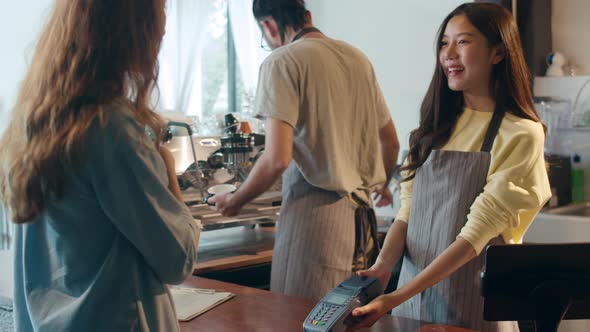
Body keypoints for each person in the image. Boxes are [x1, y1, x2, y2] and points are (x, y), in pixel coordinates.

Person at [348, 3, 551, 331]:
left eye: (464, 41)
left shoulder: (521, 133)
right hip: (413, 304)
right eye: (444, 43)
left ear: (498, 53)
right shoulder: (431, 130)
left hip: (476, 305)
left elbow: (476, 236)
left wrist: (395, 296)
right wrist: (384, 267)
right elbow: (408, 214)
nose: (449, 54)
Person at [0, 1, 200, 331]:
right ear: (131, 29)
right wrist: (166, 170)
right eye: (160, 15)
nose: (164, 29)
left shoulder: (32, 125)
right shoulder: (112, 129)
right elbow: (179, 260)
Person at [210, 0, 400, 300]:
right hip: (364, 222)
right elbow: (391, 141)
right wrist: (383, 184)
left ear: (269, 26)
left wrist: (235, 201)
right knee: (352, 319)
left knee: (298, 319)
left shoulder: (281, 61)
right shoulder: (357, 59)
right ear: (308, 16)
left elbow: (276, 159)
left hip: (315, 225)